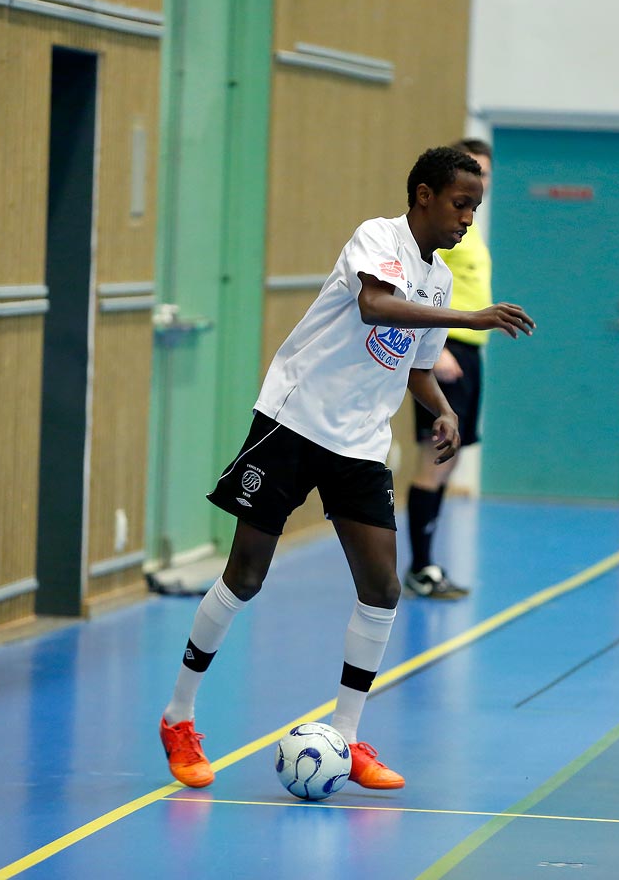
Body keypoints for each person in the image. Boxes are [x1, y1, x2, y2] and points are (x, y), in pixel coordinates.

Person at [158, 147, 536, 790]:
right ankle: (179, 716)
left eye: (476, 207)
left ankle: (350, 735)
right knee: (245, 576)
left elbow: (415, 366)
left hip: (360, 442)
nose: (468, 218)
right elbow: (376, 307)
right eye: (460, 203)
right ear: (423, 194)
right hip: (293, 420)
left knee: (382, 588)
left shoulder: (439, 280)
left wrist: (442, 410)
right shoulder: (377, 237)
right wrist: (472, 317)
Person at [405, 138, 494, 600]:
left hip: (469, 351)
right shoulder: (441, 230)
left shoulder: (469, 228)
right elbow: (416, 281)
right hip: (445, 348)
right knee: (433, 459)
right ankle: (420, 567)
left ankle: (428, 563)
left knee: (451, 458)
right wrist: (431, 349)